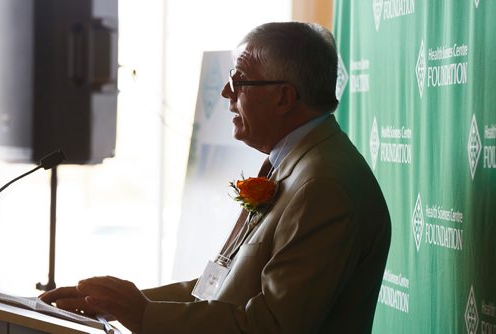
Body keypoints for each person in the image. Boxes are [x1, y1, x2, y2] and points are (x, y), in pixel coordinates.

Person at [40, 22, 391, 333]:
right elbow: (220, 288)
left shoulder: (322, 186)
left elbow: (273, 326)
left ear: (283, 97)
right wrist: (116, 302)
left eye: (239, 80)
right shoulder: (293, 164)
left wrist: (144, 315)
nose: (226, 93)